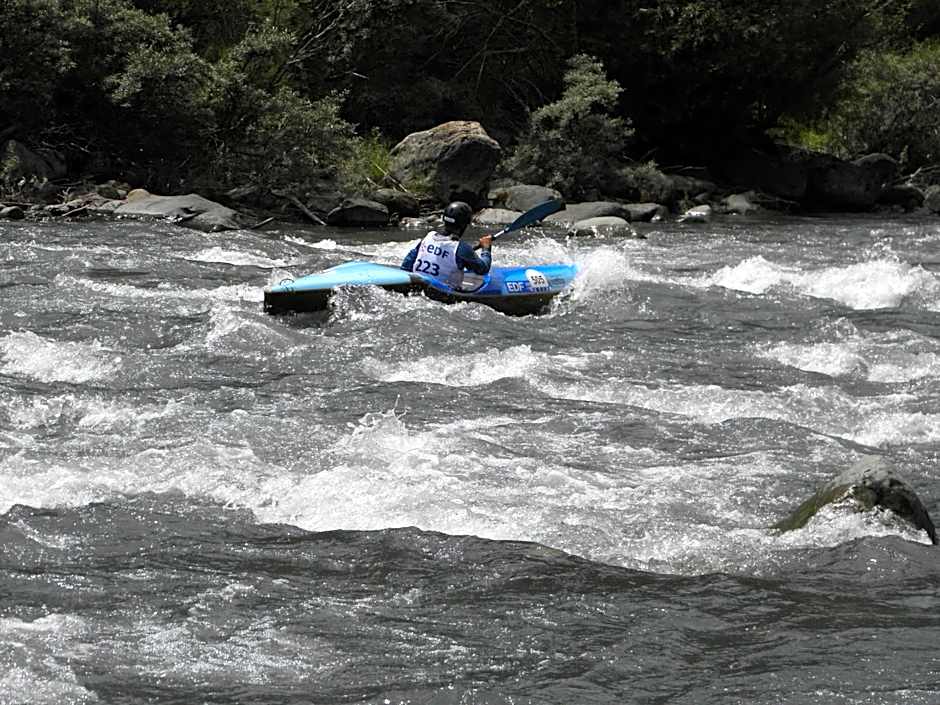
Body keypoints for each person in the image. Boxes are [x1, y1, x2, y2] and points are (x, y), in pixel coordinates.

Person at [400, 201, 493, 289]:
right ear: (464, 225)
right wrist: (486, 248)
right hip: (443, 292)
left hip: (417, 286)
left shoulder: (428, 237)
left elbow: (407, 264)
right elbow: (482, 269)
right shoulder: (461, 248)